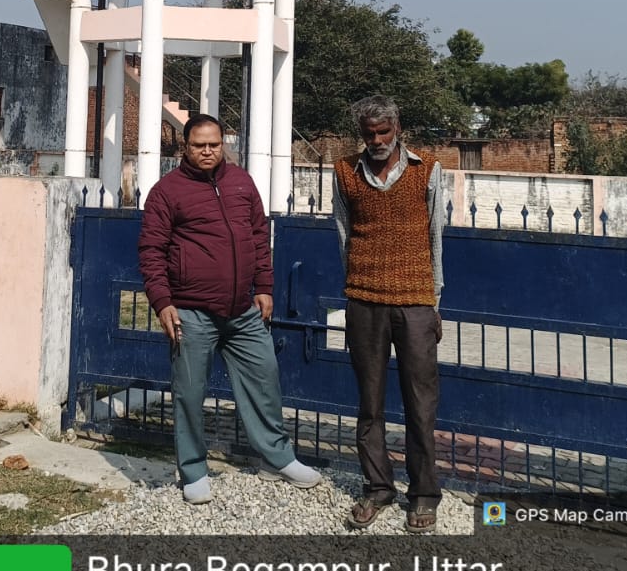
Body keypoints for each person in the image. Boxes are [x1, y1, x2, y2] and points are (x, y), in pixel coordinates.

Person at [138, 113, 321, 503]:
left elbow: (258, 235)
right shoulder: (166, 192)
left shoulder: (241, 182)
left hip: (242, 310)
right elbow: (151, 251)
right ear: (185, 147)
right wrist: (162, 302)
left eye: (214, 144)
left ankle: (277, 459)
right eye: (199, 145)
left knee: (265, 379)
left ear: (224, 144)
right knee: (189, 393)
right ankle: (193, 471)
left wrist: (265, 286)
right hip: (190, 311)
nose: (207, 151)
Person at [333, 96, 444, 532]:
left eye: (383, 132)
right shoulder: (344, 173)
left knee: (420, 403)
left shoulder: (427, 170)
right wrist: (355, 287)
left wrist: (434, 303)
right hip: (364, 300)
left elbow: (436, 238)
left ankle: (424, 494)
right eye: (369, 134)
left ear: (398, 128)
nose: (377, 141)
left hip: (415, 302)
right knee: (370, 403)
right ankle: (378, 487)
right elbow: (343, 236)